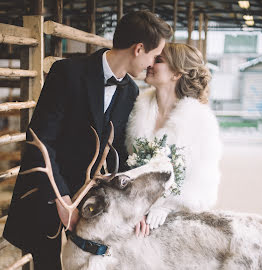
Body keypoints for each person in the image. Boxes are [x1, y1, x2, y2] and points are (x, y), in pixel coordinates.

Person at [3, 11, 172, 270]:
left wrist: (135, 207)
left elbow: (118, 154)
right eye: (153, 55)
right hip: (48, 194)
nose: (151, 64)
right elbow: (41, 139)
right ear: (139, 49)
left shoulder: (131, 91)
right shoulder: (67, 73)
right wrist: (62, 200)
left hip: (93, 205)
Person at [125, 43, 222, 236]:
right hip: (133, 214)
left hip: (177, 220)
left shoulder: (201, 120)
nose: (150, 63)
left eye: (158, 60)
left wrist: (167, 206)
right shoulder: (137, 107)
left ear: (176, 74)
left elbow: (204, 180)